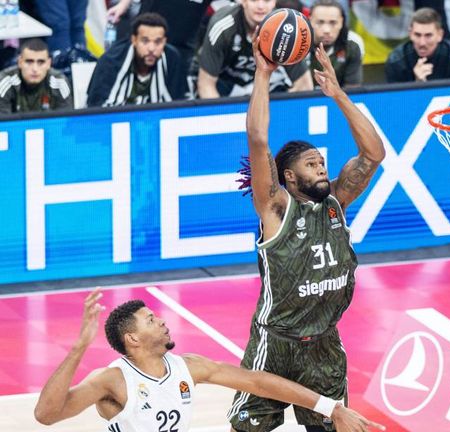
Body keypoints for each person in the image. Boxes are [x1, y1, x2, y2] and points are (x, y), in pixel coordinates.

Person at [227, 39, 385, 431]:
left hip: (325, 343)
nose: (321, 166)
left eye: (322, 162)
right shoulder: (276, 209)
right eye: (311, 164)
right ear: (290, 177)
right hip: (276, 342)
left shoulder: (336, 202)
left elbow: (373, 155)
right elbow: (258, 139)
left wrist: (337, 93)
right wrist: (263, 73)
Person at [33, 289, 384, 432]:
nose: (162, 320)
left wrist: (330, 407)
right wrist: (79, 347)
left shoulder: (189, 367)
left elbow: (258, 382)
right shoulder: (112, 379)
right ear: (133, 339)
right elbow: (46, 415)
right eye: (151, 320)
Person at [196, 0, 313, 98]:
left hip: (266, 83)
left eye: (267, 0)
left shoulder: (286, 27)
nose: (260, 6)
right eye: (254, 0)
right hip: (225, 83)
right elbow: (206, 85)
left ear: (274, 2)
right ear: (242, 1)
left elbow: (304, 85)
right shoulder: (222, 25)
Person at [86, 13, 187, 107]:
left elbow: (178, 105)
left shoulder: (172, 60)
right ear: (134, 40)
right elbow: (95, 106)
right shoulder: (110, 61)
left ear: (165, 41)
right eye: (145, 41)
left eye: (158, 42)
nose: (151, 48)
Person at [384, 7, 450, 83]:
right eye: (417, 35)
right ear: (410, 34)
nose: (422, 43)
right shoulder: (396, 61)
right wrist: (418, 83)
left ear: (440, 35)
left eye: (428, 35)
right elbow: (397, 99)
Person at [0, 38, 72, 114]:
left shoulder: (59, 83)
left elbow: (65, 122)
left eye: (41, 62)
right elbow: (2, 123)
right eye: (29, 62)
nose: (35, 69)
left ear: (48, 63)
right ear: (20, 62)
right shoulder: (5, 82)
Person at [308, 0, 363, 88]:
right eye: (320, 22)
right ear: (310, 21)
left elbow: (353, 90)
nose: (327, 30)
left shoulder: (352, 48)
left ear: (341, 22)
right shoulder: (295, 47)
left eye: (333, 23)